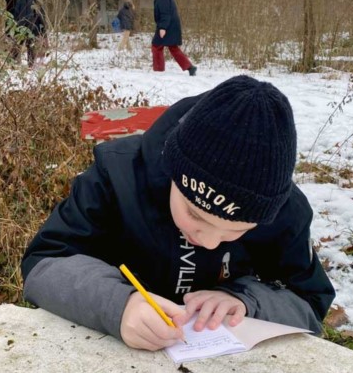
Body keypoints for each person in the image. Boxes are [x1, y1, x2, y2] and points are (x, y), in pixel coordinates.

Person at [22, 75, 335, 351]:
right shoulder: (117, 176)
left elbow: (310, 301)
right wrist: (118, 304)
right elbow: (43, 263)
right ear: (173, 173)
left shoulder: (283, 210)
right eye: (196, 215)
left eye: (236, 231)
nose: (210, 242)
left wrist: (246, 300)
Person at [149, 0, 197, 75]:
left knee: (156, 46)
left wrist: (162, 28)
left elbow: (165, 13)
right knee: (173, 47)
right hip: (171, 25)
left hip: (167, 25)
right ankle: (190, 67)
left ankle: (158, 70)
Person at [4, 0, 47, 67]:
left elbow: (14, 14)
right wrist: (42, 28)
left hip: (21, 25)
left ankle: (15, 64)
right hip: (32, 25)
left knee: (18, 45)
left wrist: (11, 29)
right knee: (29, 45)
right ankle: (30, 64)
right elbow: (39, 13)